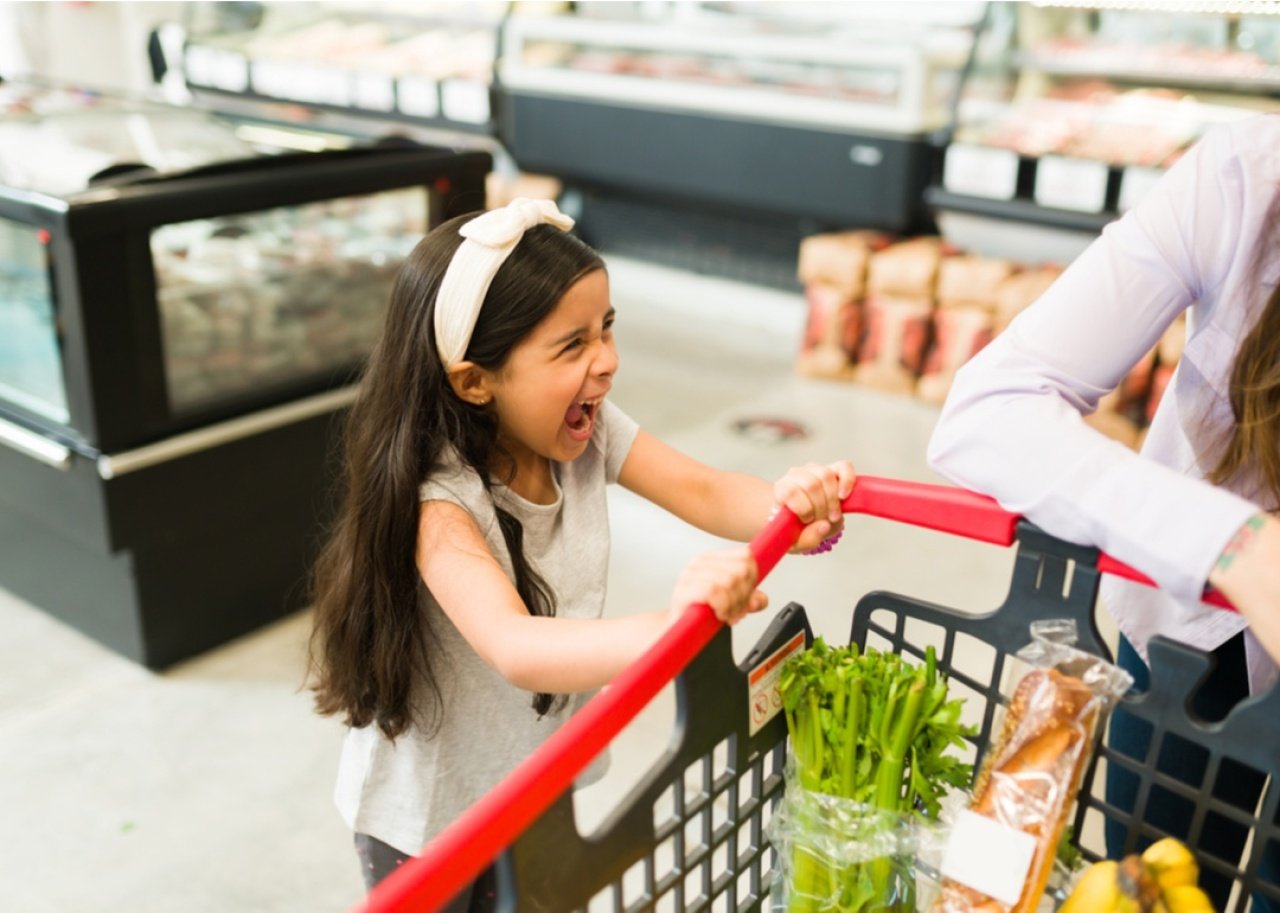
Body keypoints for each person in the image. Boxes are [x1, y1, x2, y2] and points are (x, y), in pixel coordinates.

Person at [306, 198, 856, 908]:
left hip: (535, 784)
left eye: (607, 329)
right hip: (430, 820)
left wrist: (790, 506)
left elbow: (702, 486)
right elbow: (516, 645)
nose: (608, 361)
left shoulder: (585, 436)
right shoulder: (439, 503)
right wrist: (676, 623)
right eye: (572, 346)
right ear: (476, 380)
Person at [927, 114, 1280, 910]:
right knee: (1151, 872)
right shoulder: (1245, 178)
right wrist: (1235, 545)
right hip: (1195, 625)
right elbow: (989, 411)